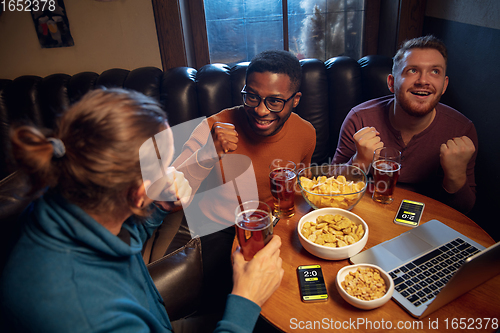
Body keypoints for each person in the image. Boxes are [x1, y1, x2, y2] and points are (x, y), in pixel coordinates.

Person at [0, 88, 284, 333]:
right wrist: (245, 300)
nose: (172, 172)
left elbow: (120, 232)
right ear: (138, 193)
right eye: (166, 166)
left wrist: (159, 205)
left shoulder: (63, 201)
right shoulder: (84, 315)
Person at [170, 50, 316, 313]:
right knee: (221, 305)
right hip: (218, 227)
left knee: (294, 299)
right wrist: (207, 154)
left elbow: (297, 192)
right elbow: (169, 198)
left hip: (273, 227)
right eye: (252, 97)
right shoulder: (212, 127)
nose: (261, 110)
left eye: (274, 102)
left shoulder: (306, 133)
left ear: (295, 100)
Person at [332, 35, 477, 213]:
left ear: (444, 85)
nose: (423, 81)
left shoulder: (462, 130)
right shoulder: (359, 119)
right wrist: (359, 162)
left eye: (435, 72)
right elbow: (332, 188)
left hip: (429, 222)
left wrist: (456, 177)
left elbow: (465, 211)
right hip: (370, 215)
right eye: (412, 70)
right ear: (392, 83)